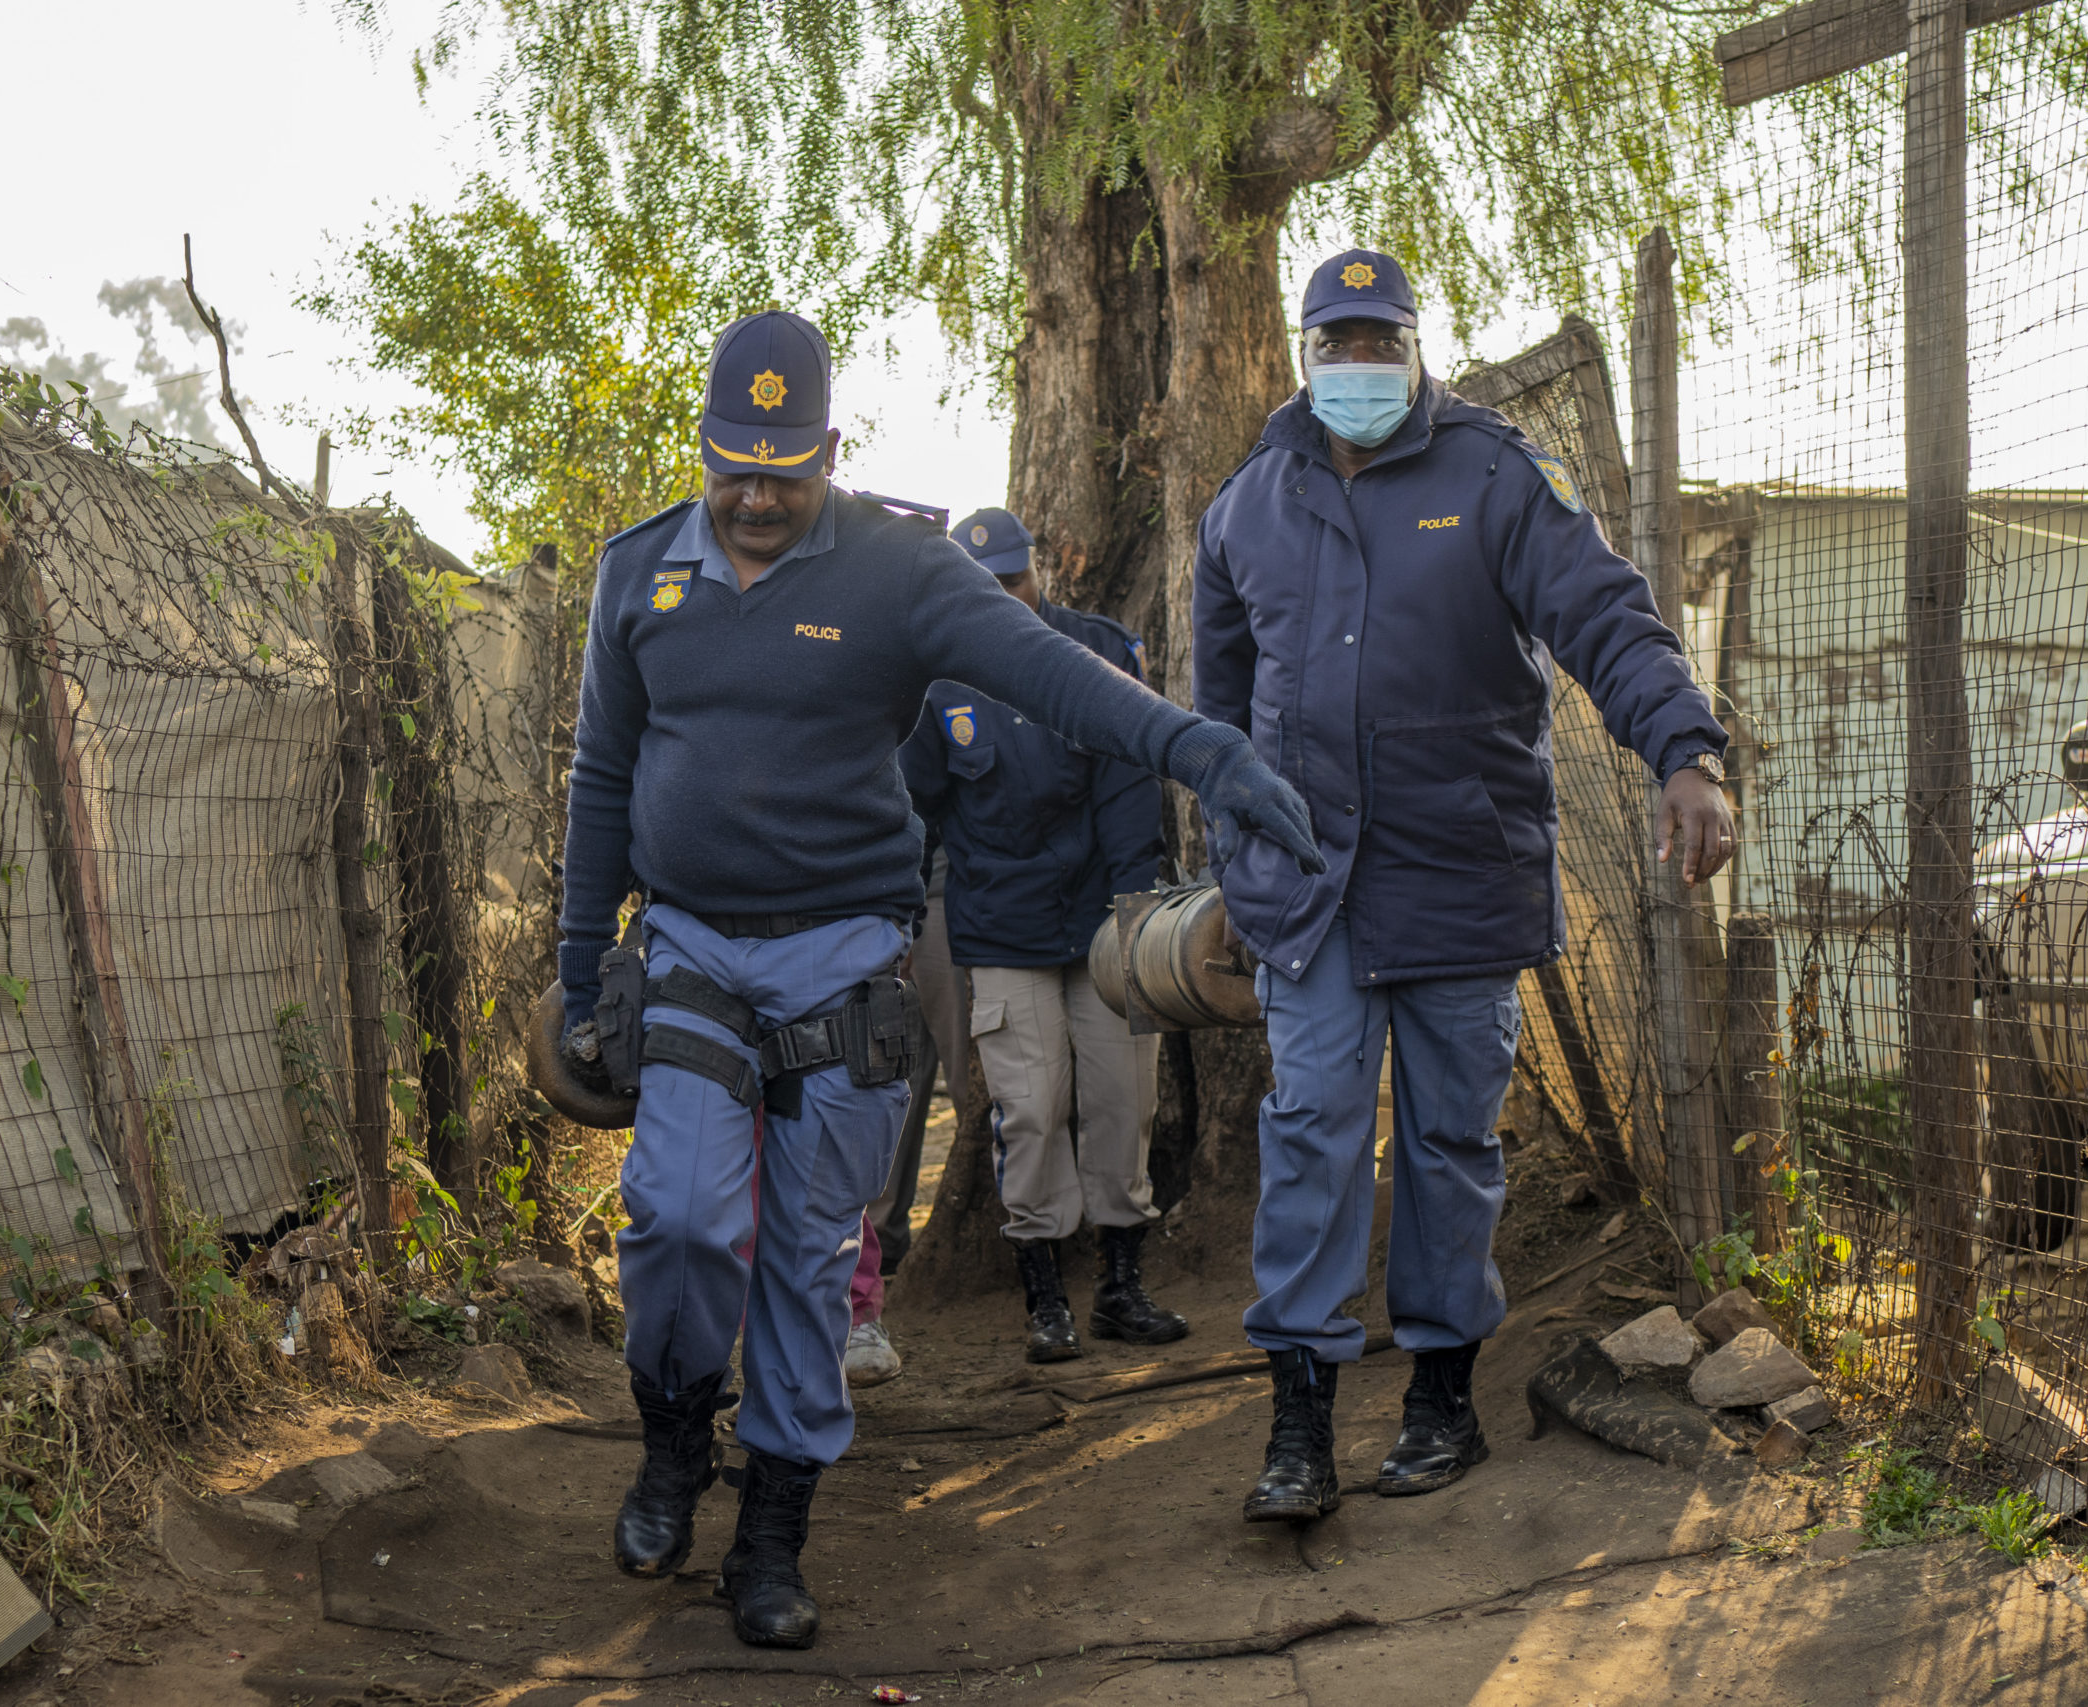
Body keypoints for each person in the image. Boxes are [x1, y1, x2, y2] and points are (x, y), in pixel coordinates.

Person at [559, 310, 1321, 1649]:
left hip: (841, 955)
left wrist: (1204, 753)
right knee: (679, 1219)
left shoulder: (898, 573)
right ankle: (674, 1438)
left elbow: (1058, 678)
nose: (750, 496)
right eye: (729, 464)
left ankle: (776, 1528)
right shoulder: (637, 577)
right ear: (702, 448)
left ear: (831, 451)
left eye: (781, 470)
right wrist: (576, 969)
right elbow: (603, 781)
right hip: (685, 944)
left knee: (804, 1253)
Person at [1189, 250, 1734, 1524]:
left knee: (1447, 1142)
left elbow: (1606, 615)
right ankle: (1299, 1423)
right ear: (1304, 353)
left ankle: (1440, 1396)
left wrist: (1684, 750)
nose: (1361, 365)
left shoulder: (1494, 475)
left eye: (1382, 341)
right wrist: (1234, 847)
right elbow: (1218, 706)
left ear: (1416, 349)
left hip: (1457, 872)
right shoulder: (1248, 502)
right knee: (1315, 1130)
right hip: (1312, 889)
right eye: (1340, 343)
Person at [900, 507, 1186, 1364]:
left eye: (1016, 579)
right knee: (1030, 1112)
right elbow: (912, 811)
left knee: (1120, 1102)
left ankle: (1120, 1289)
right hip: (1001, 929)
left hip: (1105, 925)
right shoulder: (934, 686)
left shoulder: (1097, 651)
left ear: (1041, 574)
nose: (1005, 598)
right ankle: (1045, 1300)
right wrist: (897, 913)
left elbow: (1132, 789)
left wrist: (1139, 921)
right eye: (986, 586)